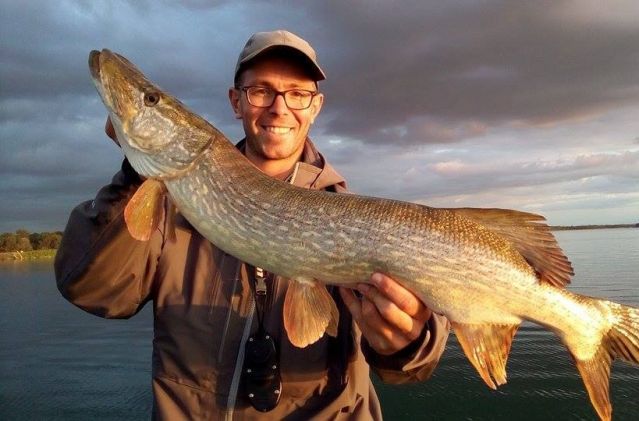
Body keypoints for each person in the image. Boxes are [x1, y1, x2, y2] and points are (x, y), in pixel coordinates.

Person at [55, 30, 449, 419]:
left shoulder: (348, 217)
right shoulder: (168, 209)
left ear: (315, 106)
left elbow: (413, 366)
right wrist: (134, 173)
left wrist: (408, 344)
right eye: (261, 91)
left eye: (297, 94)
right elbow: (92, 291)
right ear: (236, 101)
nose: (280, 108)